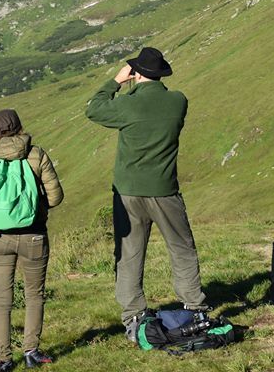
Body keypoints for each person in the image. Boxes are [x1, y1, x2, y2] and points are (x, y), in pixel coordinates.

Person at [85, 47, 208, 344]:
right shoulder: (178, 101)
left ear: (137, 73)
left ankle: (134, 316)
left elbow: (94, 108)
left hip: (128, 192)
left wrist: (116, 81)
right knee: (182, 249)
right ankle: (195, 308)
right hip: (164, 190)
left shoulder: (128, 106)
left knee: (129, 255)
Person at [0, 109, 64, 372]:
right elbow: (56, 197)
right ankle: (31, 352)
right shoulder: (36, 154)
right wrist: (34, 209)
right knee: (34, 295)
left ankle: (4, 359)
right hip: (34, 235)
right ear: (21, 127)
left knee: (1, 300)